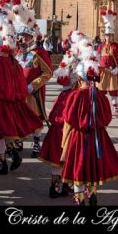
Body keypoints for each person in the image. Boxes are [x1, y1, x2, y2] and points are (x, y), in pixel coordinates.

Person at [0, 0, 43, 174]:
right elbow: (21, 83)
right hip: (14, 102)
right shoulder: (14, 63)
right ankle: (12, 153)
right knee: (8, 130)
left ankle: (3, 161)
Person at [61, 32, 118, 206]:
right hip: (97, 135)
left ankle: (79, 198)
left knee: (79, 167)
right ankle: (93, 193)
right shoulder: (99, 95)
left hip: (80, 137)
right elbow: (106, 117)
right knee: (94, 166)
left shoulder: (75, 96)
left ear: (79, 77)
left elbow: (69, 117)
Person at [39, 33, 78, 198]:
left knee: (61, 149)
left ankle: (60, 185)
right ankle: (60, 186)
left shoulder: (69, 60)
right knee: (66, 149)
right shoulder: (74, 62)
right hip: (71, 103)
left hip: (64, 101)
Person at [13, 0, 53, 156]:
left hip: (33, 93)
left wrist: (33, 85)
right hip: (18, 92)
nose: (22, 39)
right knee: (19, 118)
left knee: (35, 119)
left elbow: (48, 73)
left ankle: (36, 143)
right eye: (21, 36)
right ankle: (20, 141)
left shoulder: (40, 53)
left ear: (31, 37)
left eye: (25, 36)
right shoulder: (18, 52)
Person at [97, 9, 118, 118]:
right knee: (101, 92)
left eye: (110, 35)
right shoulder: (100, 46)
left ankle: (115, 110)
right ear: (104, 36)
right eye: (107, 35)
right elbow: (97, 57)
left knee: (113, 91)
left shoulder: (116, 46)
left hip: (113, 71)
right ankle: (101, 109)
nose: (108, 37)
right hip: (103, 71)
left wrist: (117, 68)